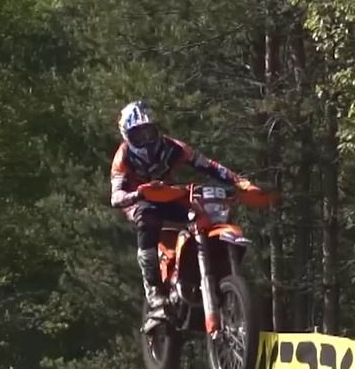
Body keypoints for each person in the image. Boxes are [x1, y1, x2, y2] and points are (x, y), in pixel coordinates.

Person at [109, 101, 258, 327]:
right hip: (140, 201)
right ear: (127, 136)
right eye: (139, 135)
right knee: (147, 218)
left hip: (167, 195)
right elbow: (115, 196)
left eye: (149, 131)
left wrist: (242, 183)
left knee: (203, 210)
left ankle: (206, 268)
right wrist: (137, 193)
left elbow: (209, 165)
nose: (147, 139)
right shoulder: (123, 158)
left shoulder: (174, 147)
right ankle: (154, 292)